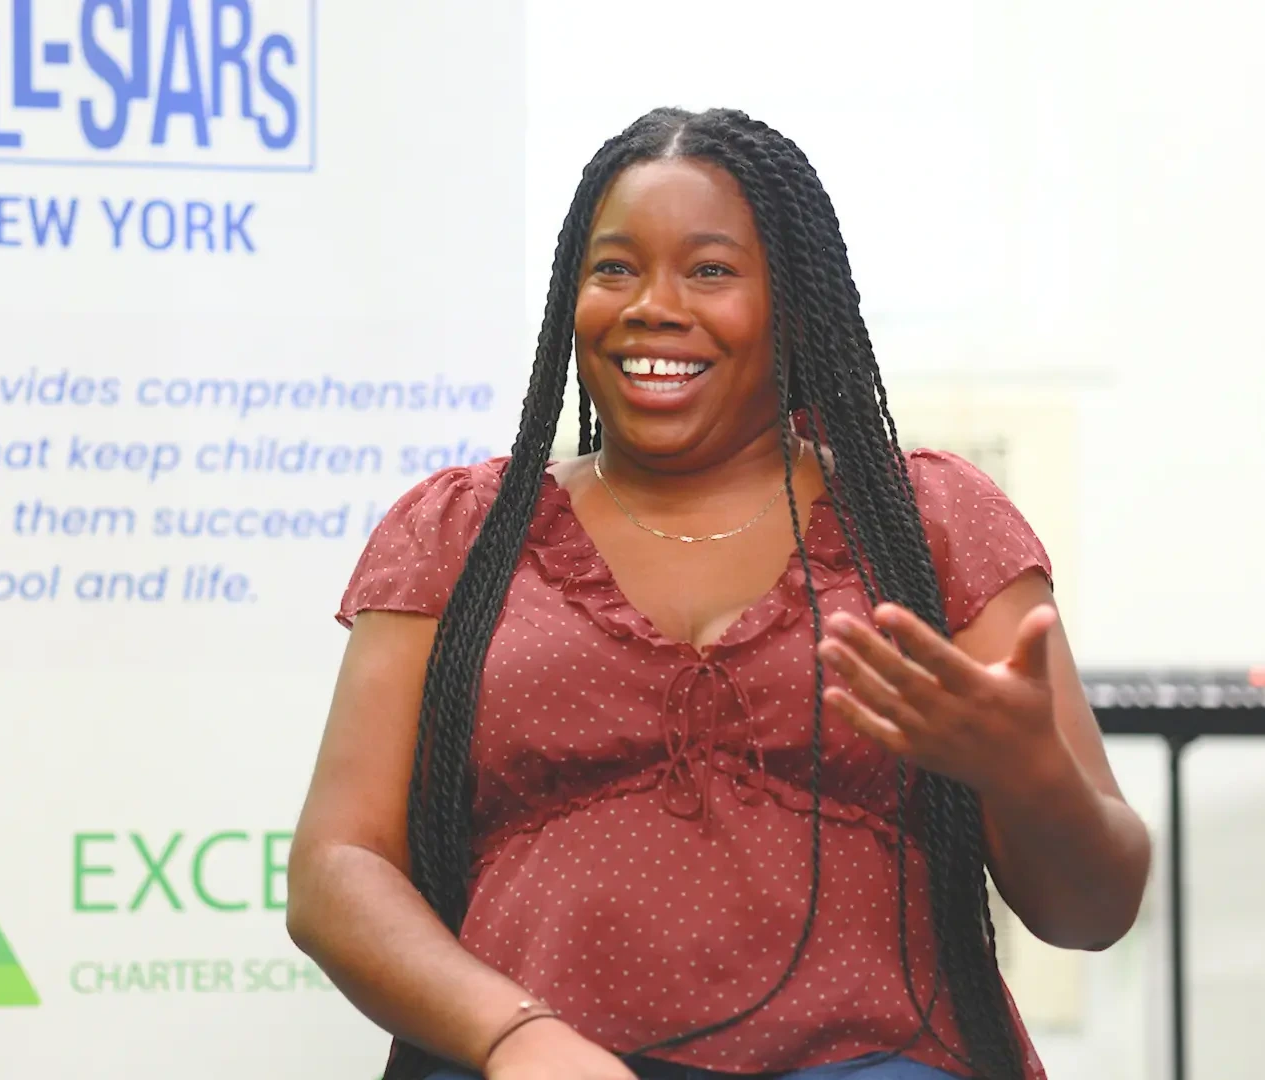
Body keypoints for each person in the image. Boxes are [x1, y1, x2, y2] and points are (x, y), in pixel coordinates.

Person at [286, 107, 1151, 1080]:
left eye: (709, 270)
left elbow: (1093, 912)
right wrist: (511, 1033)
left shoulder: (932, 524)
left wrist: (1025, 773)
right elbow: (334, 870)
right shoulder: (461, 531)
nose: (654, 304)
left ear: (794, 304)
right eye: (614, 268)